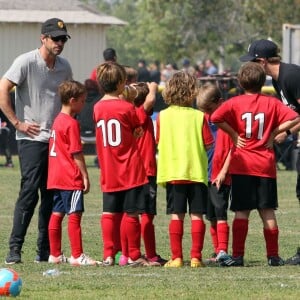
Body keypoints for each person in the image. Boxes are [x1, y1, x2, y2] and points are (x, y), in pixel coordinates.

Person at [210, 62, 300, 267]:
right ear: (263, 82)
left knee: (242, 211)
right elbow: (295, 116)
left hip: (242, 164)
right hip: (265, 165)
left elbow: (215, 117)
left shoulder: (234, 102)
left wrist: (234, 135)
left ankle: (238, 255)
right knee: (267, 211)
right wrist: (275, 132)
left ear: (240, 82)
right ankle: (273, 256)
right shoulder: (271, 102)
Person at [0, 18, 73, 264]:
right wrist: (17, 123)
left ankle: (44, 252)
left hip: (56, 141)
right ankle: (14, 249)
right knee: (29, 193)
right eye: (55, 38)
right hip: (31, 139)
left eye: (63, 39)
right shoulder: (26, 61)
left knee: (51, 196)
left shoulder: (64, 67)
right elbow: (3, 89)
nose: (59, 43)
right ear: (43, 38)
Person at [239, 39, 300, 265]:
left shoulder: (291, 76)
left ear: (263, 61)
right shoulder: (277, 81)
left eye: (253, 62)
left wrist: (284, 131)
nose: (250, 68)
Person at [93, 62, 150, 266]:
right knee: (131, 212)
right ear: (120, 83)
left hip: (108, 168)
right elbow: (137, 130)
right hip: (129, 167)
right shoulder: (127, 107)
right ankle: (134, 254)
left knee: (109, 212)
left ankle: (109, 254)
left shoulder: (97, 107)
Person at [156, 71, 214, 268]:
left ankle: (177, 257)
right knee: (197, 215)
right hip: (196, 173)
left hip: (173, 173)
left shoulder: (162, 116)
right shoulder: (200, 117)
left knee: (176, 214)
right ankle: (196, 257)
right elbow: (208, 144)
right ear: (193, 91)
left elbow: (158, 141)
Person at [47, 80, 97, 266]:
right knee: (74, 214)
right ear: (73, 100)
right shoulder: (71, 123)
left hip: (55, 177)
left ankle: (55, 255)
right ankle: (77, 255)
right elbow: (76, 152)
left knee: (57, 213)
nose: (84, 104)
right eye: (82, 101)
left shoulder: (57, 120)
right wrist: (84, 175)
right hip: (70, 177)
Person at [121, 81, 167, 266]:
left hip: (130, 172)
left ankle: (125, 255)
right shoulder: (138, 114)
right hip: (145, 172)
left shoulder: (126, 114)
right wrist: (153, 88)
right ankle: (150, 254)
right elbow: (148, 103)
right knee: (146, 214)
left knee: (128, 213)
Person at [197, 83, 232, 264]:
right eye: (205, 111)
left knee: (220, 213)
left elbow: (233, 148)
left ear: (220, 102)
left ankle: (223, 250)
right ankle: (216, 250)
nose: (209, 114)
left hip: (220, 176)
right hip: (205, 174)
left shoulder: (227, 121)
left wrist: (224, 172)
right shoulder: (203, 119)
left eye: (210, 109)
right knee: (210, 215)